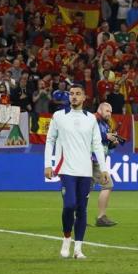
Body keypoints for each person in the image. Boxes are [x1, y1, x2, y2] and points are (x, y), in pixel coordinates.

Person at [43, 84, 109, 259]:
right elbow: (50, 140)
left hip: (85, 170)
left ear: (84, 98)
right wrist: (48, 164)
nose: (74, 97)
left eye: (77, 94)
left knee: (82, 209)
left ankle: (78, 248)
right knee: (69, 205)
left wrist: (103, 169)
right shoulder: (59, 116)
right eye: (71, 94)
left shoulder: (91, 119)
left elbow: (97, 145)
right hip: (66, 169)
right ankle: (66, 239)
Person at [94, 102, 120, 227]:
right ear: (99, 110)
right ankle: (101, 217)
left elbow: (104, 145)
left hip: (96, 160)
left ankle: (78, 218)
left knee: (83, 191)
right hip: (92, 159)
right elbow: (89, 135)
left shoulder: (105, 124)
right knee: (107, 185)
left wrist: (112, 142)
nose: (109, 113)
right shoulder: (94, 120)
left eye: (110, 111)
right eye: (106, 111)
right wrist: (106, 136)